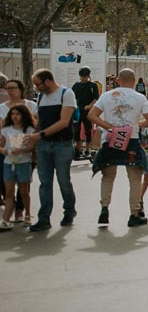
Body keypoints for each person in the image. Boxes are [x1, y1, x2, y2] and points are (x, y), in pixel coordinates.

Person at [89, 68, 148, 228]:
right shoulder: (139, 97)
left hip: (110, 140)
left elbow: (91, 115)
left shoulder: (106, 96)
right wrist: (136, 125)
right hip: (131, 140)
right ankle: (134, 213)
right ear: (134, 81)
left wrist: (109, 126)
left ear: (117, 80)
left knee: (108, 175)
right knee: (134, 177)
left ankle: (104, 208)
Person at [27, 68, 77, 232]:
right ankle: (44, 218)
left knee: (63, 180)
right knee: (45, 182)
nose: (37, 88)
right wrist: (34, 139)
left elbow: (64, 122)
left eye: (38, 84)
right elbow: (40, 121)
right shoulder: (41, 97)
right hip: (44, 145)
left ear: (47, 81)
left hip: (62, 144)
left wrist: (40, 135)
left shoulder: (66, 94)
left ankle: (69, 211)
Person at [1, 104, 36, 230]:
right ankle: (6, 218)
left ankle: (27, 213)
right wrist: (4, 150)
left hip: (23, 163)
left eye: (18, 114)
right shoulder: (6, 130)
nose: (15, 117)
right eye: (13, 114)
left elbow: (33, 147)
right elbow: (1, 144)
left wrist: (23, 150)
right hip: (9, 163)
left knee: (23, 191)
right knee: (9, 193)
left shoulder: (29, 130)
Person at [71, 67, 102, 161]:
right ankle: (78, 148)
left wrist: (90, 105)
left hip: (88, 111)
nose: (83, 78)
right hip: (78, 110)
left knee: (88, 130)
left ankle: (88, 149)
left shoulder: (92, 85)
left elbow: (96, 98)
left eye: (85, 76)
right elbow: (72, 96)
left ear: (88, 76)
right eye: (82, 77)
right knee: (76, 130)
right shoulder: (76, 85)